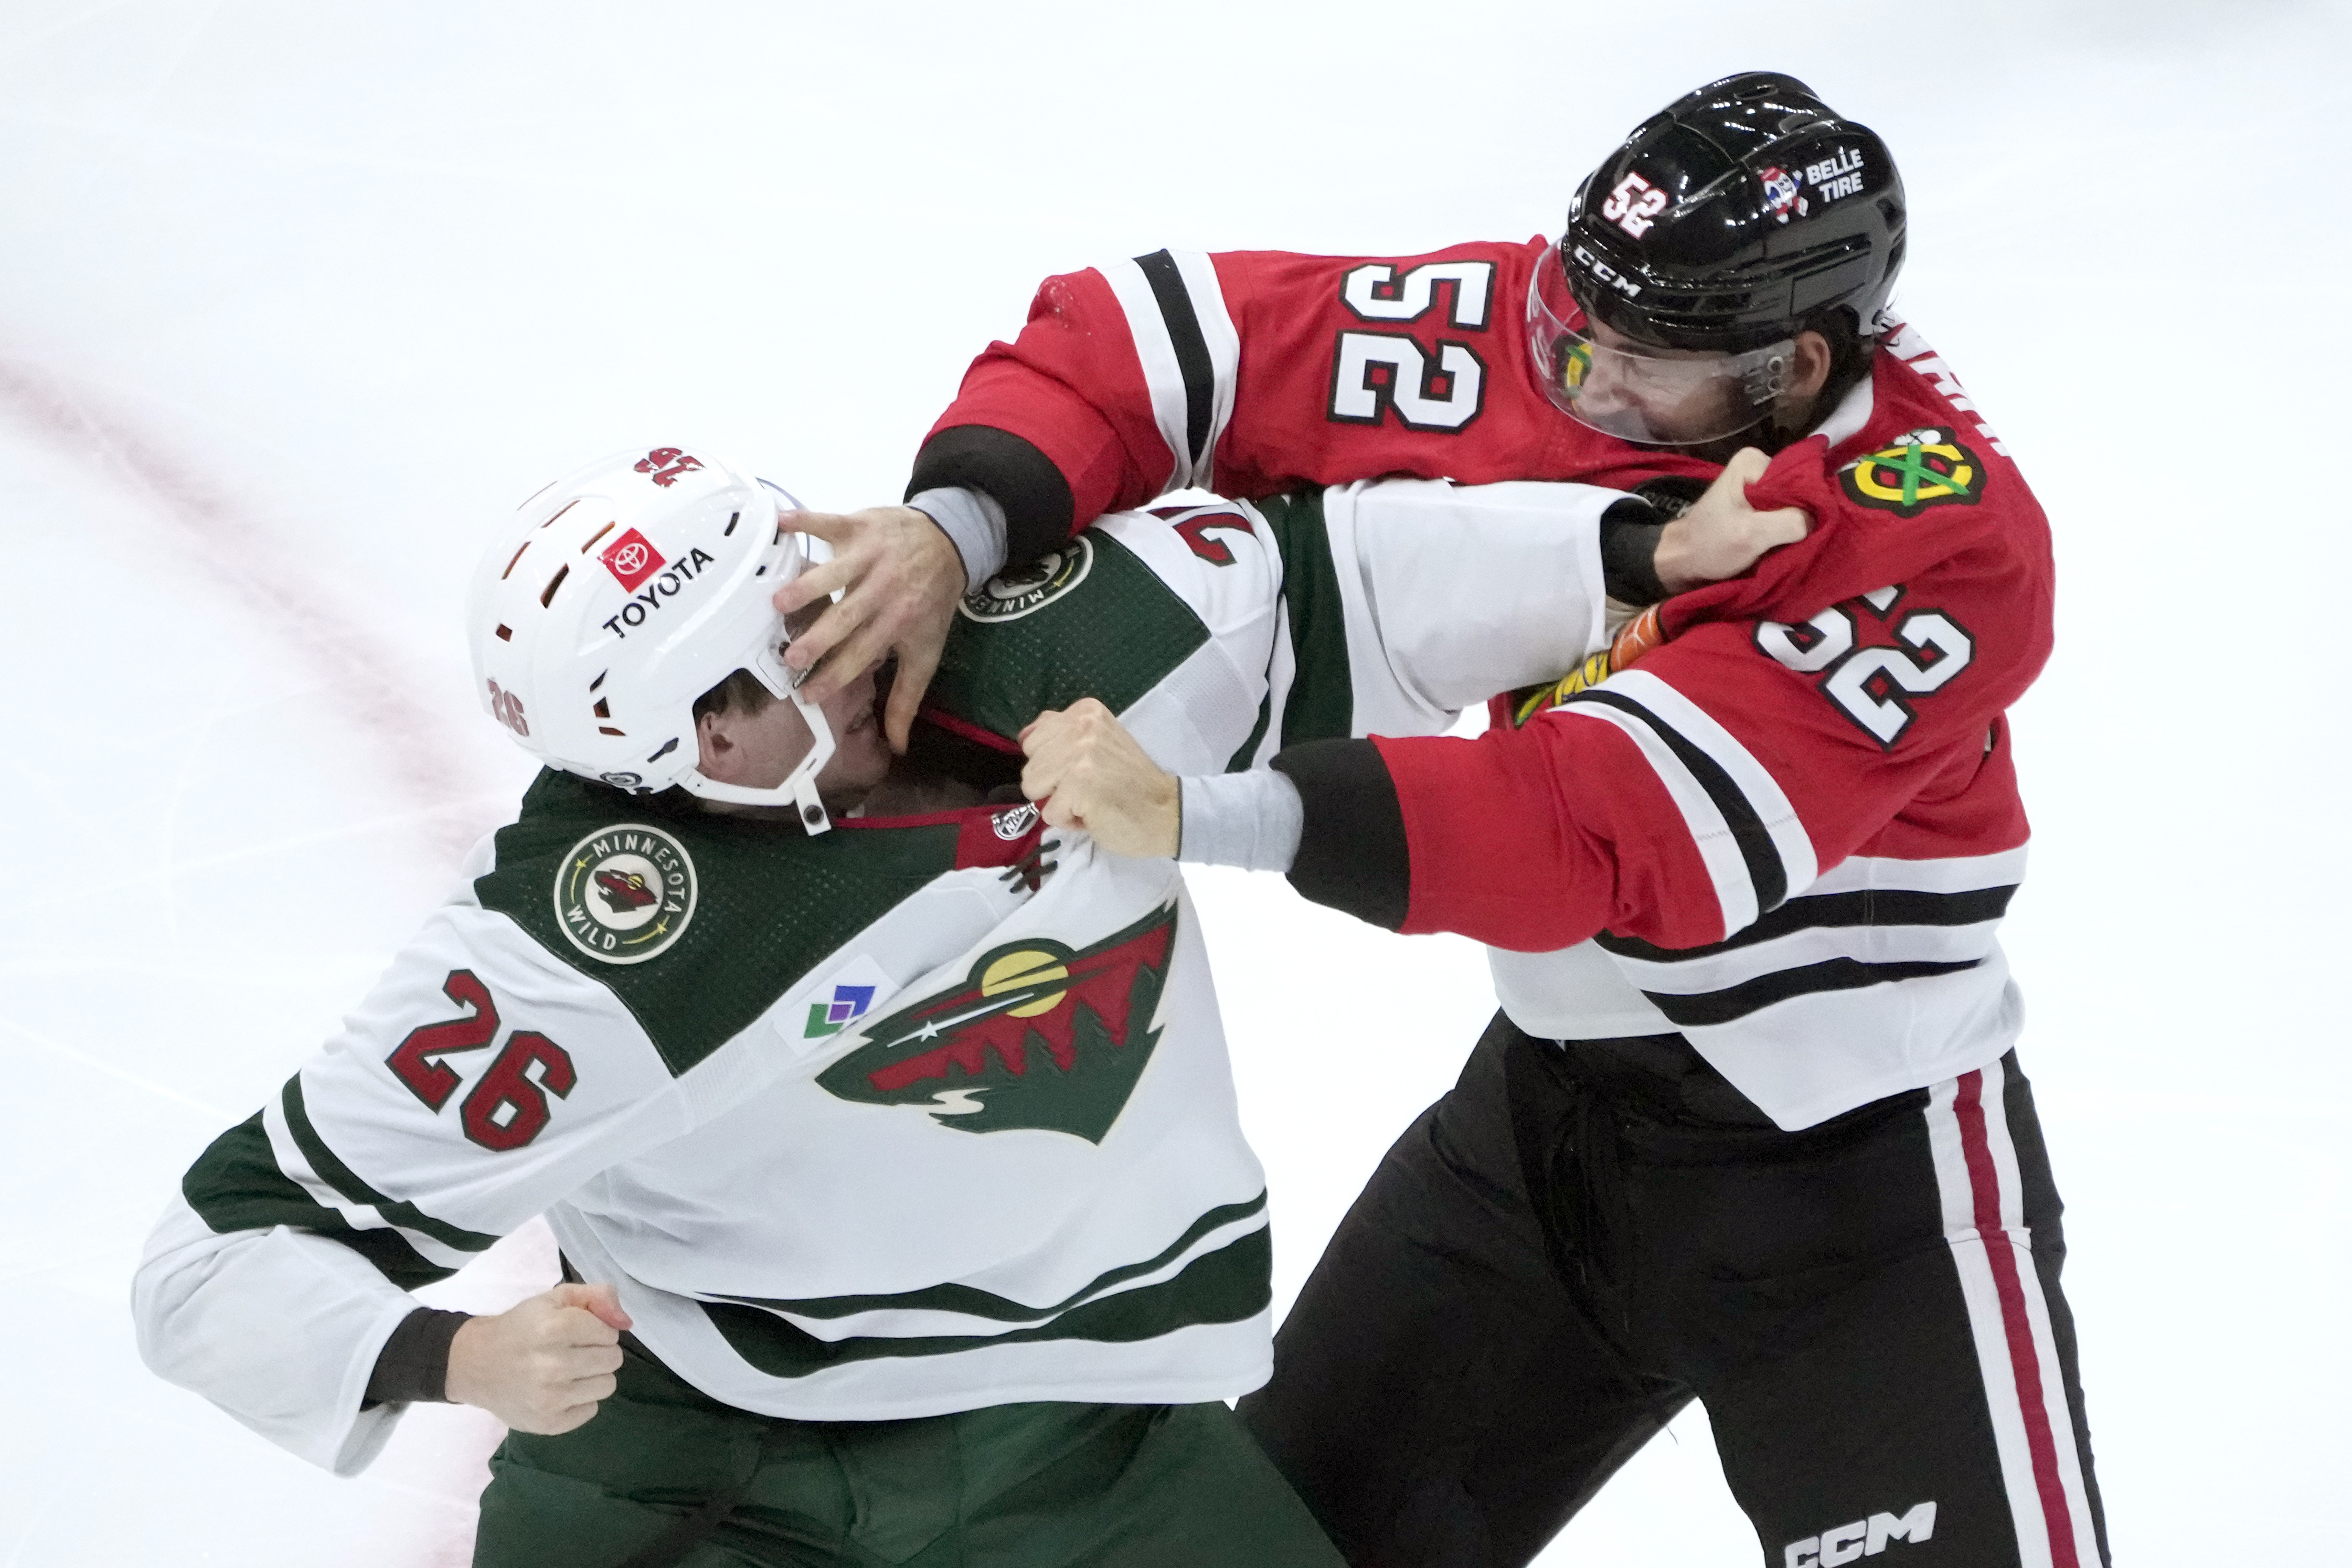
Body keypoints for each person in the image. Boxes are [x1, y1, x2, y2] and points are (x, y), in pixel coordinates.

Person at [821, 72, 2105, 1568]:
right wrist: (953, 527)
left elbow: (1599, 837)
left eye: (1635, 363)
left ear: (1794, 366)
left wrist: (1199, 813)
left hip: (1853, 1186)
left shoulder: (1934, 534)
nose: (1580, 385)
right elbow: (1147, 338)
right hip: (1543, 1133)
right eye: (1572, 325)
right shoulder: (1553, 338)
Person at [132, 442, 1792, 1567]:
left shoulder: (1074, 634)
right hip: (705, 1467)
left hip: (1084, 1442)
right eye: (710, 712)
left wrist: (1638, 550)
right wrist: (451, 1352)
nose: (807, 677)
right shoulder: (597, 950)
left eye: (793, 621)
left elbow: (1335, 574)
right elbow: (213, 1261)